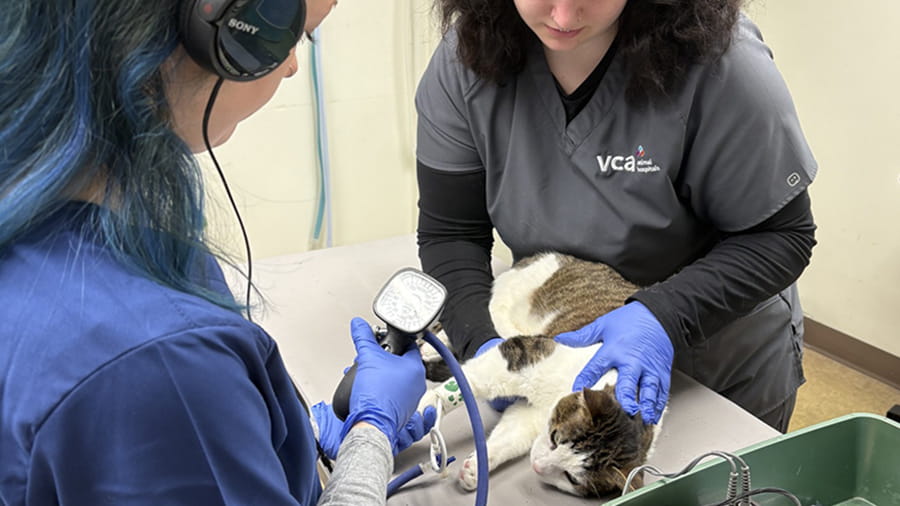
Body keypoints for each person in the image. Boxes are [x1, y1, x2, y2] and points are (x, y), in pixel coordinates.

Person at [0, 1, 433, 505]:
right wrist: (371, 436)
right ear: (220, 31)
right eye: (294, 37)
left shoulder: (48, 215)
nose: (291, 65)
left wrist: (276, 438)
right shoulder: (161, 365)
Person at [415, 0, 817, 433]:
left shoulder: (724, 64)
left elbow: (782, 235)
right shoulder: (468, 55)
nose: (563, 16)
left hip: (714, 358)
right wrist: (487, 347)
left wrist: (663, 315)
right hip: (563, 345)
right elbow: (452, 231)